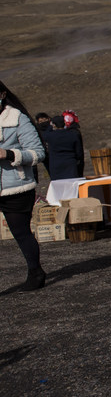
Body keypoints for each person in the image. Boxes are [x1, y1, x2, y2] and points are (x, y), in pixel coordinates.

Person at [1, 80, 48, 291]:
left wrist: (9, 154)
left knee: (21, 233)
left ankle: (36, 273)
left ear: (2, 94)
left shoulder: (17, 119)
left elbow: (38, 153)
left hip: (15, 187)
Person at [44, 115, 84, 180]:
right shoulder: (73, 134)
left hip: (56, 164)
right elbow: (78, 152)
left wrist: (50, 126)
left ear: (54, 125)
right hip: (70, 163)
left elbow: (44, 135)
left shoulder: (50, 136)